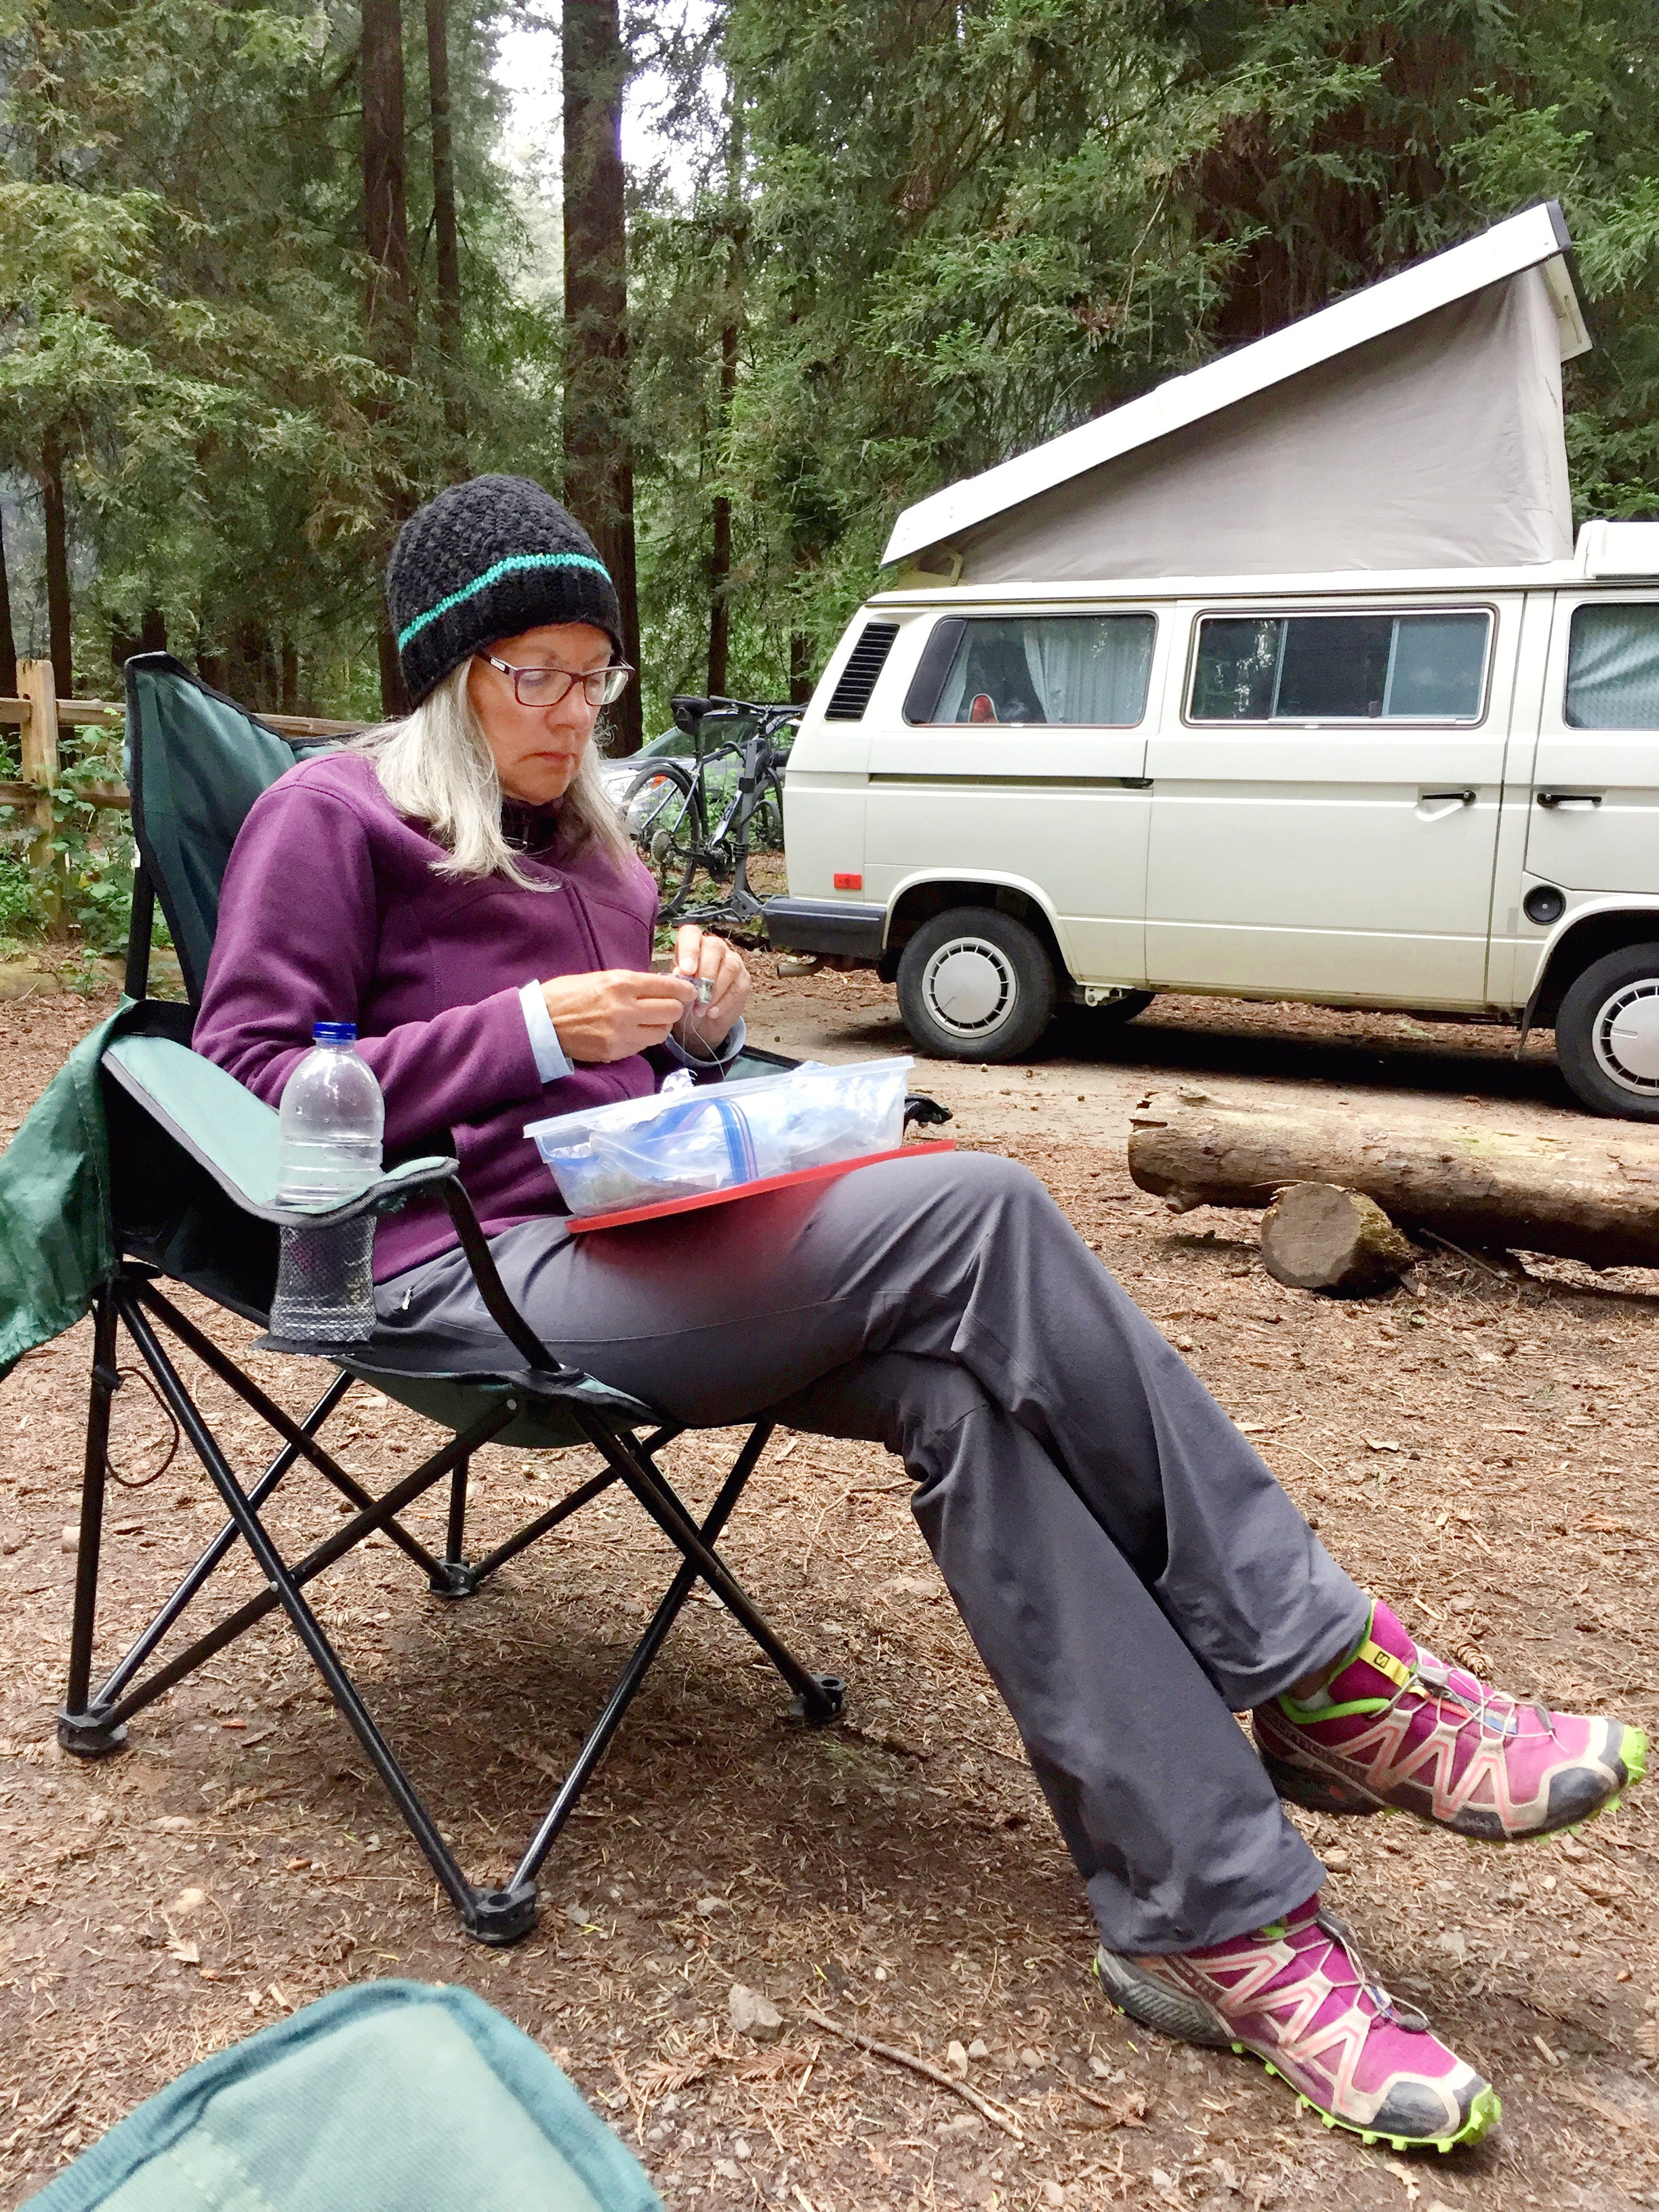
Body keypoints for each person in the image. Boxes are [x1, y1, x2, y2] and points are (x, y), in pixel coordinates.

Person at [194, 475, 1643, 2156]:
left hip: (644, 1233)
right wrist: (527, 1031)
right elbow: (253, 1088)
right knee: (981, 1205)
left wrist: (704, 1034)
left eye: (598, 675)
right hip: (458, 1272)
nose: (575, 712)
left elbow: (633, 1076)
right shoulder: (330, 818)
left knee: (962, 1388)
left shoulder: (591, 847)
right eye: (538, 673)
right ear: (452, 669)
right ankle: (1328, 1677)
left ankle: (1211, 1921)